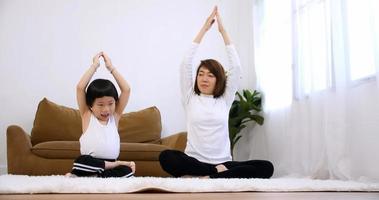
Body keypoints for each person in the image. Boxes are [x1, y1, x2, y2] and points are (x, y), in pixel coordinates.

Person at [159, 6, 274, 179]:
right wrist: (204, 29)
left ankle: (208, 176)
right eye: (201, 74)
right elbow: (185, 63)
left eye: (210, 75)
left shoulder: (225, 99)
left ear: (218, 79)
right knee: (166, 157)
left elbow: (236, 67)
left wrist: (223, 31)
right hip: (195, 161)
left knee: (266, 167)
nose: (204, 78)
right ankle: (214, 174)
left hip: (223, 162)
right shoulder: (190, 97)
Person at [65, 52, 135, 178]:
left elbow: (126, 89)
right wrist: (95, 66)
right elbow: (80, 88)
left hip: (109, 165)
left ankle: (96, 177)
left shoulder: (115, 117)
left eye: (110, 103)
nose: (106, 109)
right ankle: (93, 174)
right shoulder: (87, 115)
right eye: (100, 104)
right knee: (81, 161)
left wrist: (111, 68)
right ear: (91, 105)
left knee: (128, 170)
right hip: (90, 164)